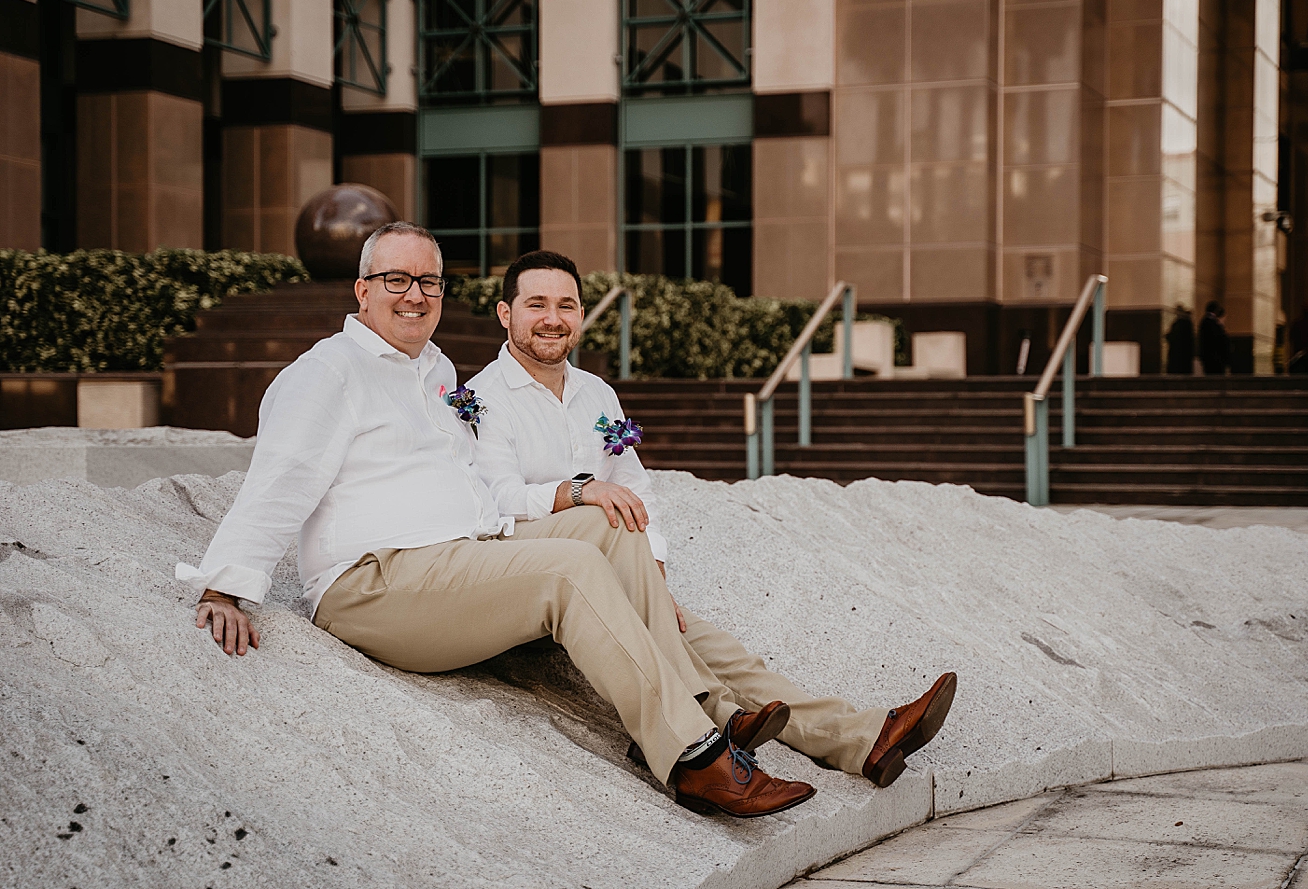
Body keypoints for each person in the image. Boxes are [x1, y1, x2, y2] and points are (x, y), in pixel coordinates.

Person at [176, 222, 818, 819]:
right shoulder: (327, 372)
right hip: (371, 582)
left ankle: (705, 713)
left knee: (610, 527)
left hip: (455, 558)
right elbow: (280, 477)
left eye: (429, 282)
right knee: (570, 567)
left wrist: (585, 524)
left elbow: (478, 484)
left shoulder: (437, 372)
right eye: (396, 280)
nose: (414, 295)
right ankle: (693, 761)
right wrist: (225, 584)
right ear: (363, 291)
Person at [468, 250, 959, 788]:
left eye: (567, 305)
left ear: (582, 314)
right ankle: (720, 714)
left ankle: (866, 739)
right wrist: (579, 492)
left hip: (612, 570)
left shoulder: (597, 394)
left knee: (731, 655)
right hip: (540, 582)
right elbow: (494, 504)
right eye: (536, 304)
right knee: (616, 535)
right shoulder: (479, 399)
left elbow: (635, 487)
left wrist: (649, 564)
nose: (553, 318)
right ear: (503, 313)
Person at [1198, 301, 1231, 375]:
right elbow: (1219, 340)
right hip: (1216, 358)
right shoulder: (1213, 323)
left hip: (1209, 357)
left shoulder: (1204, 322)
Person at [1165, 304, 1194, 375]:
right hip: (1185, 357)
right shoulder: (1188, 323)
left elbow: (1173, 337)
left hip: (1176, 357)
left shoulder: (1177, 324)